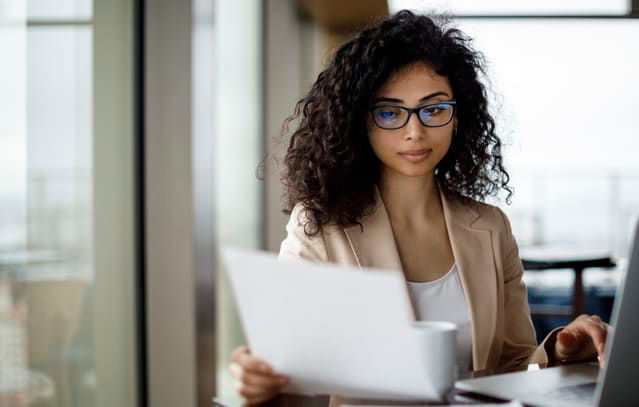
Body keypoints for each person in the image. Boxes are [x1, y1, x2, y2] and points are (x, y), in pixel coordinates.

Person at [228, 10, 609, 407]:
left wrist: (561, 350)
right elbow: (293, 371)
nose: (415, 131)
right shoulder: (320, 226)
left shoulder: (492, 227)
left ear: (457, 116)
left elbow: (512, 364)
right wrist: (262, 380)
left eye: (433, 108)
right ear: (360, 121)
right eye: (390, 112)